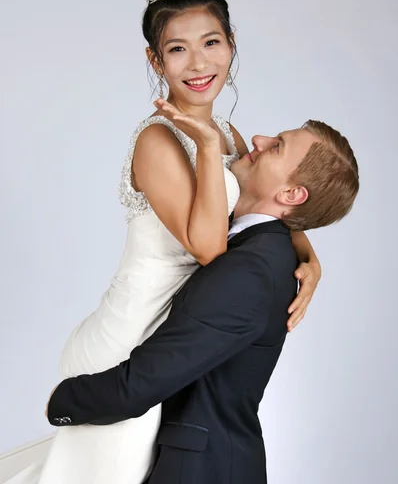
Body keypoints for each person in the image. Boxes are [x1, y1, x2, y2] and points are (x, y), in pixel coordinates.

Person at [1, 0, 321, 484]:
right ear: (156, 61)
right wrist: (205, 141)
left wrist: (310, 255)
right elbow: (211, 248)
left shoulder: (232, 137)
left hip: (170, 343)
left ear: (231, 44)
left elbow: (269, 208)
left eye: (211, 43)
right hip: (127, 339)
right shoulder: (160, 139)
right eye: (178, 49)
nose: (198, 64)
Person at [46, 118, 360, 484]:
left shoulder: (251, 269)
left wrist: (60, 402)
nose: (257, 140)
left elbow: (140, 385)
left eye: (276, 146)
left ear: (292, 195)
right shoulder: (260, 247)